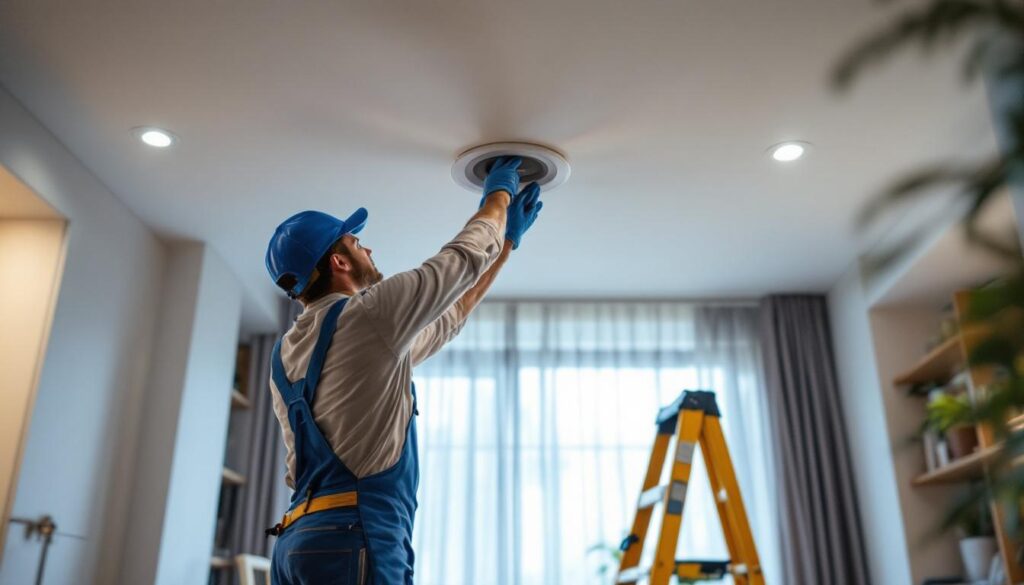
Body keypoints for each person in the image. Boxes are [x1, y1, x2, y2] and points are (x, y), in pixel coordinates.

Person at [262, 157, 543, 584]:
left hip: (295, 541)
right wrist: (497, 198)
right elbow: (463, 258)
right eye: (356, 242)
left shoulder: (286, 352)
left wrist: (504, 247)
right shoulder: (369, 315)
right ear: (338, 261)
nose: (368, 249)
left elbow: (448, 319)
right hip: (353, 534)